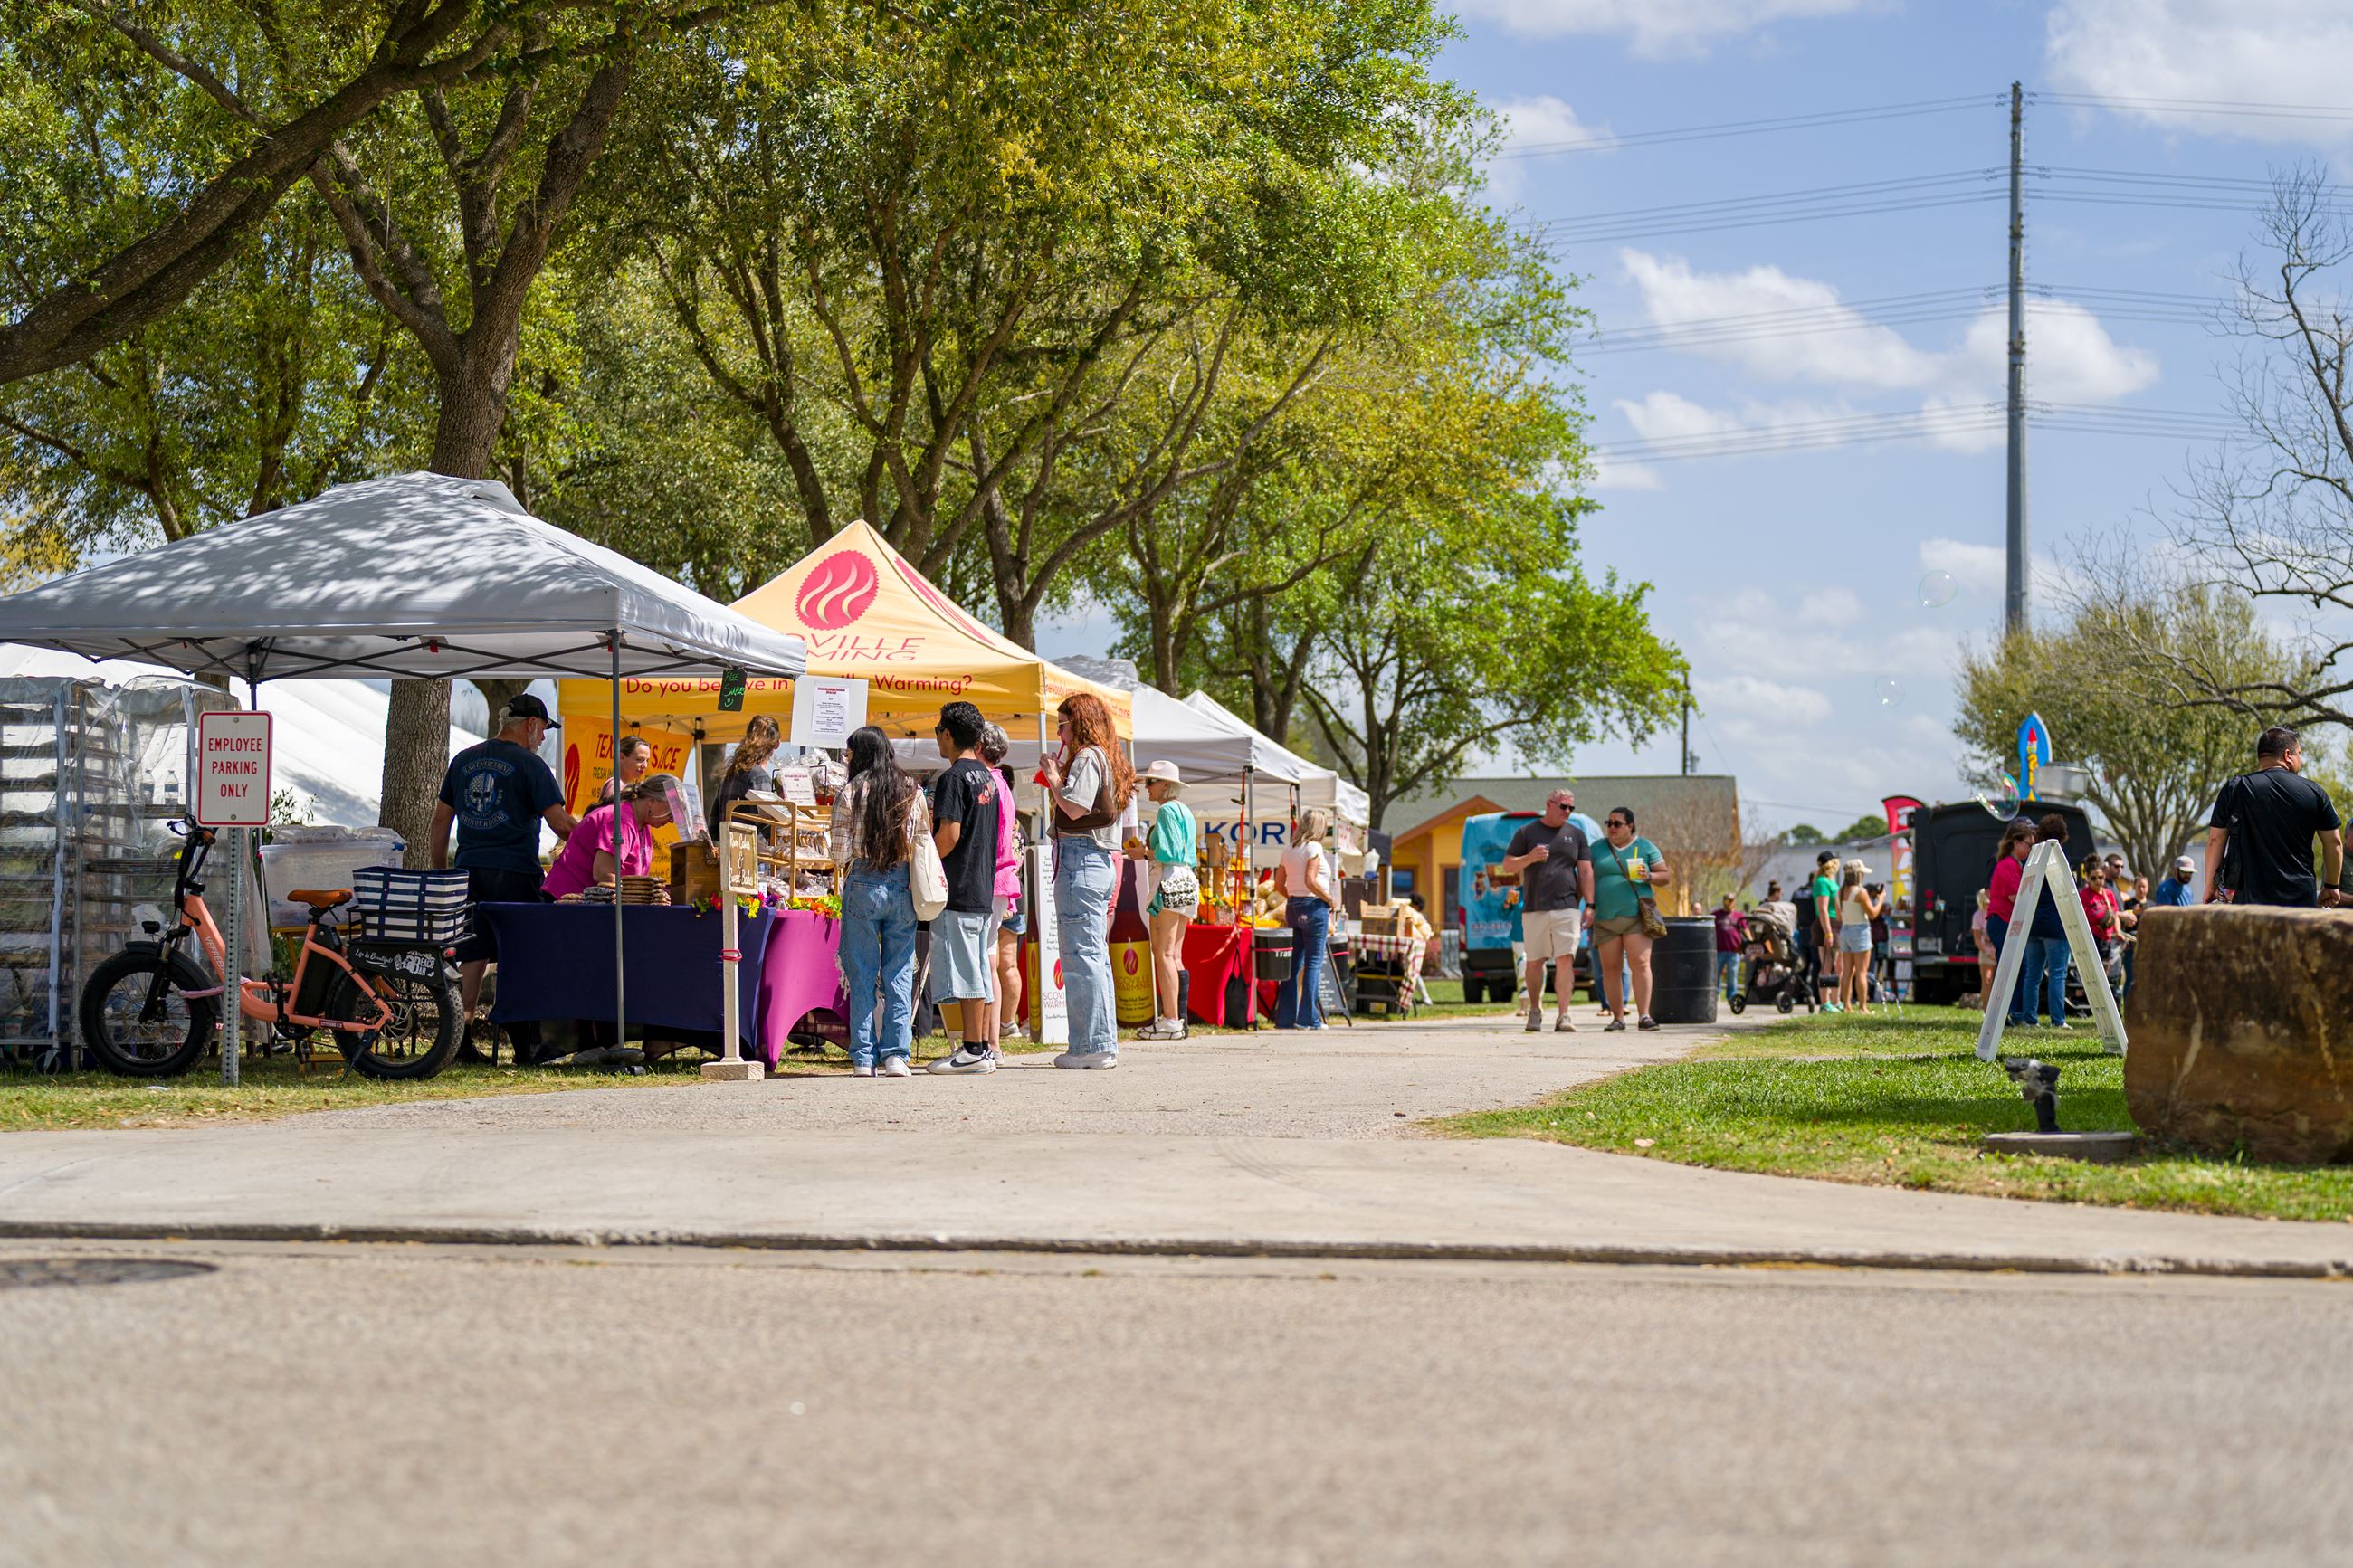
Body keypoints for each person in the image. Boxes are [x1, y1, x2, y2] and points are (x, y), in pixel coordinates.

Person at [431, 694, 576, 1053]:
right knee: (521, 951)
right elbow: (560, 825)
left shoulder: (463, 761)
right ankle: (523, 1038)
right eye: (542, 729)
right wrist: (599, 836)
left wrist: (442, 873)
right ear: (530, 724)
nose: (543, 738)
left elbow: (439, 820)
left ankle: (457, 1040)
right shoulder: (531, 765)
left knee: (473, 953)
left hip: (469, 870)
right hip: (515, 871)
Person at [832, 726, 929, 1076]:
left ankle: (862, 1057)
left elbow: (839, 851)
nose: (847, 759)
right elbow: (922, 840)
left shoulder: (851, 791)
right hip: (903, 884)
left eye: (850, 753)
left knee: (861, 972)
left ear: (861, 753)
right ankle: (896, 1055)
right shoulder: (911, 789)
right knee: (900, 971)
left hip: (862, 882)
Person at [1039, 691, 1130, 1068]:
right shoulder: (1105, 756)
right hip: (1095, 861)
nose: (1058, 733)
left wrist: (1054, 777)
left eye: (1061, 724)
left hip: (1082, 859)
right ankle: (1100, 1042)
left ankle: (1089, 1046)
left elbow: (1074, 807)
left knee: (1080, 957)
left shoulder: (1088, 756)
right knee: (1093, 957)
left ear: (1077, 723)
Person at [926, 701, 1003, 1076]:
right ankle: (981, 1047)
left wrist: (924, 864)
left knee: (969, 970)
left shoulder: (953, 778)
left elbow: (950, 834)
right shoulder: (988, 778)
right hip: (981, 886)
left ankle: (973, 1047)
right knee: (979, 969)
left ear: (949, 734)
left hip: (958, 887)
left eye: (939, 729)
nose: (937, 736)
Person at [2205, 725, 2345, 908]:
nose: (2300, 759)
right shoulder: (2315, 792)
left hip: (2249, 903)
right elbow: (2334, 843)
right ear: (2288, 755)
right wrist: (2331, 886)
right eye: (2299, 753)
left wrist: (2210, 885)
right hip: (2300, 903)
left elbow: (2216, 839)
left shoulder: (2235, 788)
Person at [1497, 787, 1595, 1032]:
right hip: (1534, 907)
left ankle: (1564, 1016)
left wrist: (1590, 905)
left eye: (1571, 807)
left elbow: (1585, 871)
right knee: (1534, 962)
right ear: (1549, 804)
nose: (1568, 812)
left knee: (1565, 960)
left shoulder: (1577, 834)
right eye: (1563, 807)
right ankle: (1535, 1010)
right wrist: (1529, 857)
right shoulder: (1526, 832)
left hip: (1568, 906)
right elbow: (1508, 865)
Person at [1128, 760, 1198, 1041]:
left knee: (1164, 953)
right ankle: (1178, 1019)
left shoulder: (1168, 811)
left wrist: (1143, 853)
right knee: (1175, 955)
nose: (1147, 787)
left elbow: (1167, 852)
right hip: (1187, 879)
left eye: (1151, 782)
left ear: (1165, 785)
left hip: (1169, 878)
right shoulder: (1184, 811)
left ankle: (1171, 1019)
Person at [1589, 806, 1672, 1031]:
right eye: (1609, 823)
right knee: (1612, 968)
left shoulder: (1644, 847)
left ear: (1630, 826)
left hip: (1637, 916)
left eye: (1617, 824)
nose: (1611, 828)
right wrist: (1587, 906)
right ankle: (1618, 1018)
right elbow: (1584, 876)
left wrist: (1650, 875)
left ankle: (1644, 1015)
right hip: (1605, 918)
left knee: (1641, 964)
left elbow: (1665, 876)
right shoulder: (1597, 848)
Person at [542, 774, 678, 900]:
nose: (672, 820)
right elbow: (603, 873)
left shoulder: (643, 825)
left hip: (589, 905)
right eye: (670, 811)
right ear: (651, 801)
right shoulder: (621, 820)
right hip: (566, 900)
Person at [978, 723, 1024, 1053]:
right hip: (1003, 881)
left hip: (987, 878)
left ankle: (982, 1042)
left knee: (986, 960)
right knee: (992, 960)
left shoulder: (987, 784)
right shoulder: (1003, 787)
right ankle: (990, 1041)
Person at [1275, 807, 1340, 1029]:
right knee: (1313, 963)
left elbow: (1278, 884)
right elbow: (1310, 879)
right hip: (1314, 906)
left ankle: (1285, 1018)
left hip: (1293, 906)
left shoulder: (1289, 849)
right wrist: (1329, 899)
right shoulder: (1314, 847)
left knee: (1294, 964)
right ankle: (1308, 1019)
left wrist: (1294, 896)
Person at [2020, 815, 2073, 1029]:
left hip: (2033, 923)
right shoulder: (2059, 859)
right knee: (2057, 974)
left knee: (2032, 975)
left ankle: (2030, 1019)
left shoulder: (2033, 858)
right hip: (2054, 925)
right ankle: (2058, 1020)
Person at [1984, 818, 2036, 1027]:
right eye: (2028, 844)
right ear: (2016, 843)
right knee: (2010, 967)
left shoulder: (2015, 865)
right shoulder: (2006, 865)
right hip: (2001, 921)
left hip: (2007, 922)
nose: (2030, 849)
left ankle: (2012, 1013)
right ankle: (2003, 1014)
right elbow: (2017, 898)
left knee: (2018, 967)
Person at [704, 715, 783, 837]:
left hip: (729, 851)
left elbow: (714, 829)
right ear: (777, 743)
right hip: (753, 853)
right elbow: (770, 832)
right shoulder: (759, 777)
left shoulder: (730, 776)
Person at [1796, 850, 1838, 1010]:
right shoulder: (1821, 882)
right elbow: (1823, 909)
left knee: (1835, 965)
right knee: (1826, 965)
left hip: (1835, 924)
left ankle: (1835, 1001)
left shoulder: (1830, 881)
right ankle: (1825, 1002)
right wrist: (1828, 932)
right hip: (1826, 925)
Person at [1834, 862, 1879, 1014]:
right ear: (1858, 874)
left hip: (1845, 930)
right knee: (1861, 971)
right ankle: (1863, 1007)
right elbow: (1873, 914)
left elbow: (1839, 916)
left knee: (1847, 970)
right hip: (1860, 929)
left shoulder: (1840, 892)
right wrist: (1880, 900)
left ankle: (1847, 1006)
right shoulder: (1861, 892)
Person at [2078, 852, 2122, 1002]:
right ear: (2087, 878)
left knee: (2104, 973)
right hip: (2092, 938)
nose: (2098, 881)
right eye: (2094, 878)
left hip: (2106, 939)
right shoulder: (2084, 895)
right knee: (2092, 974)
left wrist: (2118, 931)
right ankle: (2091, 1000)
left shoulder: (2108, 894)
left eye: (2101, 877)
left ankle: (2102, 1001)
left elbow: (2115, 914)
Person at [595, 733, 653, 804]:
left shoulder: (627, 785)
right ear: (622, 757)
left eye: (647, 760)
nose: (645, 765)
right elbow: (611, 814)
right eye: (639, 759)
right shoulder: (615, 785)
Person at [1712, 894, 1746, 1002]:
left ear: (1734, 902)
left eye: (1731, 901)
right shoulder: (1716, 915)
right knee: (1715, 973)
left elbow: (1746, 929)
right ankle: (1715, 994)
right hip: (1718, 950)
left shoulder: (1739, 916)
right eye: (1727, 900)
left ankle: (1732, 996)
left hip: (1734, 951)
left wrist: (1751, 942)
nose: (1729, 903)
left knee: (1732, 975)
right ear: (1723, 901)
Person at [1967, 889, 1991, 1011]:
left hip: (1998, 950)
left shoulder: (1997, 913)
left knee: (1998, 983)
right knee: (1986, 981)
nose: (1989, 904)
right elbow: (1977, 939)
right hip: (1985, 951)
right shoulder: (1978, 915)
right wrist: (1988, 952)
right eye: (1986, 902)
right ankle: (1986, 1010)